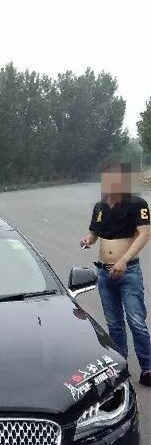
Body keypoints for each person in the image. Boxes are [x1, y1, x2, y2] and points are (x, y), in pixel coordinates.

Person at [80, 162, 151, 387]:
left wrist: (123, 260)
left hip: (128, 271)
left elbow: (144, 234)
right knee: (114, 324)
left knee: (136, 321)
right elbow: (94, 232)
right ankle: (121, 366)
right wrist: (88, 240)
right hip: (104, 272)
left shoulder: (137, 204)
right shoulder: (100, 207)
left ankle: (148, 368)